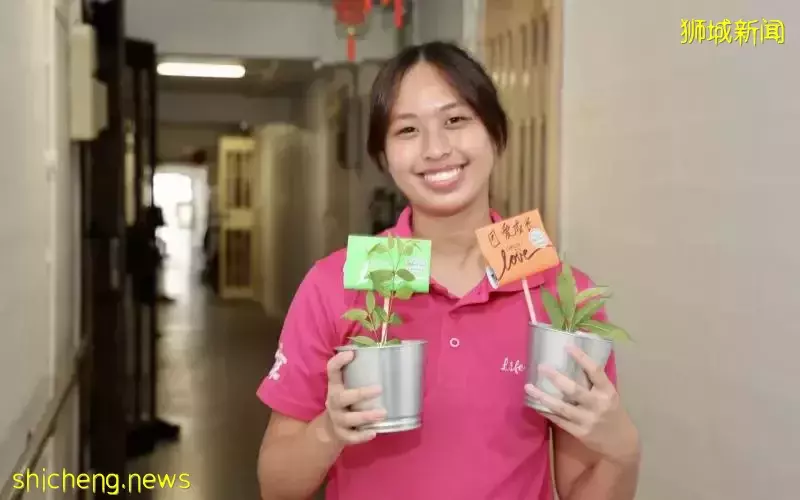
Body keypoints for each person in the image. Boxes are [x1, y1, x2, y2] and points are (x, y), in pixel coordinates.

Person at [256, 41, 641, 500]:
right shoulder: (336, 284)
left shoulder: (561, 295)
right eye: (407, 130)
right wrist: (329, 430)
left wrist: (624, 451)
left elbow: (582, 488)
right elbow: (275, 486)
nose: (436, 148)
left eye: (456, 120)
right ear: (384, 156)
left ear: (495, 133)